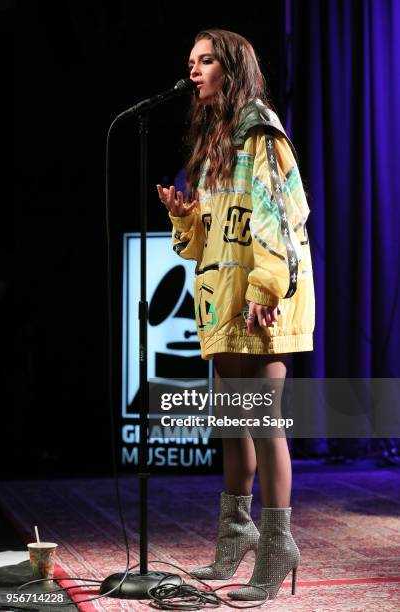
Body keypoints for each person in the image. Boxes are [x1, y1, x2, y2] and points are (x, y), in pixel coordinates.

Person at [157, 29, 314, 602]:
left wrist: (268, 287)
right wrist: (184, 219)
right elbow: (208, 243)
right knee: (233, 423)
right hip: (225, 296)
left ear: (232, 67)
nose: (193, 72)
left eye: (204, 62)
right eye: (189, 61)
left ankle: (277, 547)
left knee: (267, 423)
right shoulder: (215, 143)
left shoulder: (259, 132)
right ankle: (234, 536)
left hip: (262, 296)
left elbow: (283, 216)